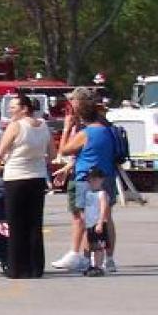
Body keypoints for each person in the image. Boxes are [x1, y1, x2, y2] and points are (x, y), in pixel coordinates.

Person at [0, 94, 54, 278]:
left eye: (13, 107)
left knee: (16, 223)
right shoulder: (43, 126)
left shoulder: (16, 126)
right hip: (37, 176)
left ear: (25, 108)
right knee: (34, 223)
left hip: (16, 177)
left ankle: (17, 267)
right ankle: (36, 267)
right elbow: (52, 154)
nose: (10, 111)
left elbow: (0, 152)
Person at [56, 97, 119, 273]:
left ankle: (80, 255)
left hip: (85, 178)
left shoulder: (86, 133)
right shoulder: (108, 130)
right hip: (107, 176)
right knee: (106, 217)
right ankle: (109, 258)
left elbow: (64, 150)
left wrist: (67, 128)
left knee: (82, 217)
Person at [82, 167, 111, 277]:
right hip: (89, 224)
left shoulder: (102, 193)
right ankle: (89, 265)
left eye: (95, 179)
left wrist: (100, 222)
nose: (92, 182)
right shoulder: (88, 193)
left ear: (101, 179)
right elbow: (86, 208)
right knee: (91, 245)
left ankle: (98, 266)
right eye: (90, 180)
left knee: (99, 247)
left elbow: (104, 208)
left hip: (98, 223)